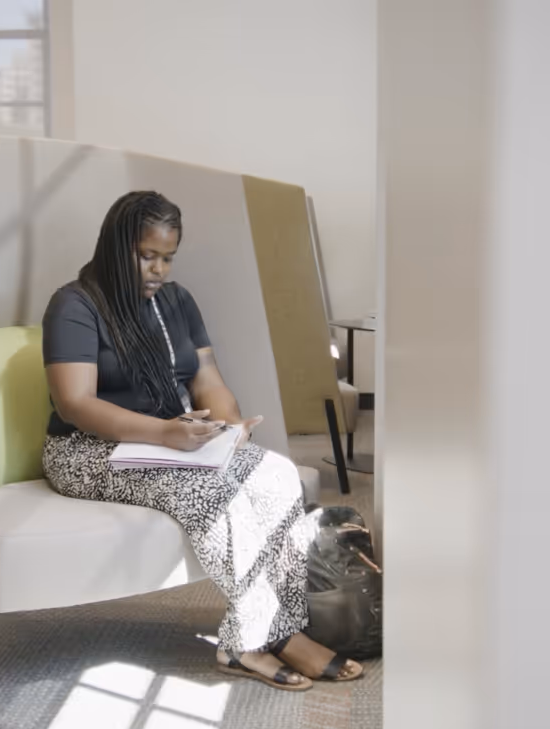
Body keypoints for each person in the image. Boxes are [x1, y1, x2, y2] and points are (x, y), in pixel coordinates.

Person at [41, 190, 363, 691]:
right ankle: (259, 641)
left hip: (169, 441)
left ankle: (267, 632)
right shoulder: (74, 305)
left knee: (276, 475)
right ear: (114, 247)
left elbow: (206, 375)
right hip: (86, 451)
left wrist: (229, 428)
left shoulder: (176, 301)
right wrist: (166, 433)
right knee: (213, 494)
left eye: (167, 258)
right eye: (146, 256)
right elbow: (75, 404)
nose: (159, 271)